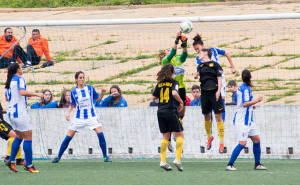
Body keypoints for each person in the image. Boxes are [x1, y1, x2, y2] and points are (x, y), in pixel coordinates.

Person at [51, 71, 112, 163]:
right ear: (76, 79)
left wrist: (102, 94)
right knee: (69, 136)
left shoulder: (90, 89)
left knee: (100, 134)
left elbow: (98, 99)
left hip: (91, 116)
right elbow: (72, 105)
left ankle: (105, 157)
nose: (82, 79)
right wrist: (68, 113)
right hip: (79, 117)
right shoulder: (74, 92)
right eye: (80, 78)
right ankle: (58, 157)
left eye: (83, 77)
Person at [4, 63, 43, 173]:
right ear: (17, 69)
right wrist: (37, 94)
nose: (22, 69)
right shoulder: (20, 79)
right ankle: (29, 165)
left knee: (19, 136)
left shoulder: (9, 81)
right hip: (19, 112)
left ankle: (11, 161)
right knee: (28, 136)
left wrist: (25, 97)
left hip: (11, 113)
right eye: (21, 67)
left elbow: (7, 98)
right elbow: (21, 92)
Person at [226, 69, 267, 171]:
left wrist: (251, 106)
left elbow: (243, 103)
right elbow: (244, 104)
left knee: (256, 140)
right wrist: (256, 101)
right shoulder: (245, 89)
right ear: (250, 77)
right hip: (242, 122)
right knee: (242, 143)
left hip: (249, 121)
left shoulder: (243, 88)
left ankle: (257, 164)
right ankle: (229, 164)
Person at [193, 33, 236, 122]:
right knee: (210, 105)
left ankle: (221, 127)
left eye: (198, 48)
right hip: (209, 82)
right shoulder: (198, 58)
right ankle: (211, 131)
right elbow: (199, 70)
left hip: (220, 78)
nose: (197, 51)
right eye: (195, 49)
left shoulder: (214, 50)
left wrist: (233, 67)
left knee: (221, 101)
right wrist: (196, 75)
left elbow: (227, 54)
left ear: (203, 46)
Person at [152, 64, 184, 171]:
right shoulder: (174, 82)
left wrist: (161, 99)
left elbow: (153, 97)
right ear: (173, 72)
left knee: (165, 137)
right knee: (180, 135)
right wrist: (180, 102)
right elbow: (174, 92)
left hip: (160, 111)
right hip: (171, 111)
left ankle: (163, 161)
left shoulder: (160, 83)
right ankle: (177, 159)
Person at [194, 49, 225, 153]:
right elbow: (197, 74)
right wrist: (195, 75)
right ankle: (209, 137)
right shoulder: (200, 66)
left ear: (205, 53)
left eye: (200, 53)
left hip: (214, 92)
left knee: (218, 117)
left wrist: (218, 91)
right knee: (206, 116)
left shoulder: (215, 65)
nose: (198, 55)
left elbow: (219, 79)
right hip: (204, 93)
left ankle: (221, 141)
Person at [157, 32, 188, 119]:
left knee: (182, 112)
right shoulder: (165, 61)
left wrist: (184, 45)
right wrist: (176, 41)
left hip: (181, 87)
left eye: (170, 48)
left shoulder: (178, 59)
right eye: (167, 50)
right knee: (175, 111)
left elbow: (184, 55)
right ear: (165, 54)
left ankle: (179, 127)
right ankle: (176, 130)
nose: (169, 49)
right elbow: (172, 53)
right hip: (172, 87)